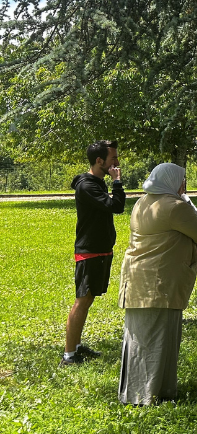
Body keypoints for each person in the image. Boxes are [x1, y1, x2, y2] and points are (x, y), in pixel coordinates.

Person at [118, 163, 197, 404]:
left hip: (138, 280)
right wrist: (188, 203)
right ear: (171, 181)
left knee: (142, 338)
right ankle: (147, 394)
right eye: (182, 181)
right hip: (158, 283)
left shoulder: (143, 202)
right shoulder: (174, 207)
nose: (183, 185)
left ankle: (148, 390)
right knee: (158, 338)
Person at [62, 140, 126, 366]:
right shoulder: (87, 186)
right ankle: (69, 356)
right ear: (99, 161)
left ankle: (77, 346)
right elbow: (116, 206)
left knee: (87, 300)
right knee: (82, 300)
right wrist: (117, 182)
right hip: (89, 251)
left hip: (100, 250)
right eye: (113, 159)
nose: (117, 163)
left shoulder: (97, 183)